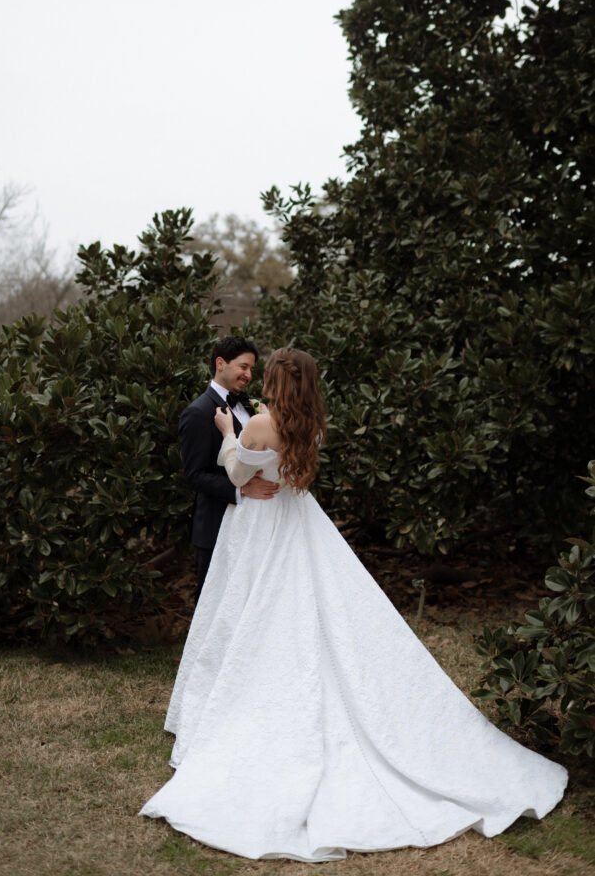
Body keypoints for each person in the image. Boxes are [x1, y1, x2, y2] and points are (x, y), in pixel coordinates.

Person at [140, 347, 567, 862]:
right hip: (298, 523)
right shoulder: (311, 427)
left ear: (275, 380)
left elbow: (235, 476)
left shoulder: (257, 427)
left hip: (257, 531)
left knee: (253, 612)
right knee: (308, 610)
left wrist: (229, 435)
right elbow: (294, 478)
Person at [178, 336, 279, 602]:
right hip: (216, 524)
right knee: (214, 605)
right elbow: (195, 474)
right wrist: (241, 489)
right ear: (220, 364)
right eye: (243, 367)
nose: (248, 375)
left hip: (256, 523)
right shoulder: (198, 413)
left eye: (251, 370)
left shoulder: (252, 406)